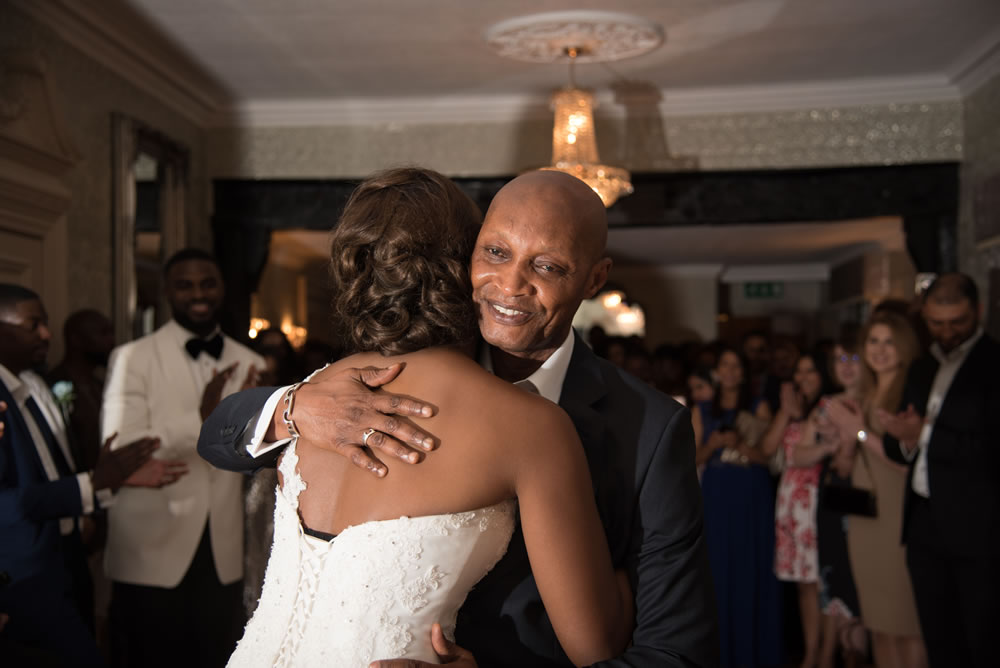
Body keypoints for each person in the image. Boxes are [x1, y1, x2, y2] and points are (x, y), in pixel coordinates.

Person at [199, 169, 718, 667]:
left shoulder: (650, 429)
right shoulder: (349, 389)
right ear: (463, 257)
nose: (511, 284)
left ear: (593, 279)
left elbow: (674, 654)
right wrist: (293, 407)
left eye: (548, 266)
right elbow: (218, 437)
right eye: (495, 252)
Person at [101, 249, 263, 668]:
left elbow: (255, 452)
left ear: (222, 289)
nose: (198, 294)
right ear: (167, 292)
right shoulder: (132, 357)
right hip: (150, 544)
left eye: (207, 283)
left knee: (216, 654)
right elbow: (124, 447)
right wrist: (208, 424)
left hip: (223, 546)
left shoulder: (249, 362)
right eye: (185, 285)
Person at [0, 284, 158, 666]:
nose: (45, 335)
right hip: (22, 575)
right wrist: (94, 482)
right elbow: (6, 503)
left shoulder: (29, 385)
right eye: (32, 324)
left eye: (46, 323)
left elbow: (49, 469)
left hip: (65, 560)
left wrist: (102, 488)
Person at [878, 273, 999, 668]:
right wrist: (904, 438)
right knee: (938, 638)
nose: (946, 332)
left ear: (977, 312)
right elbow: (902, 441)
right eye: (936, 323)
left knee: (981, 641)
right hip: (924, 524)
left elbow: (991, 448)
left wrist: (925, 431)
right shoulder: (921, 367)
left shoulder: (994, 364)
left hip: (979, 528)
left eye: (957, 323)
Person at [825, 311, 927, 668]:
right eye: (873, 341)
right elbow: (844, 467)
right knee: (878, 624)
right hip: (865, 520)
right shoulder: (864, 395)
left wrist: (860, 433)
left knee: (906, 624)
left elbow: (907, 463)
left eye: (888, 342)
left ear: (904, 346)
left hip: (900, 518)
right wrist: (842, 442)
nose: (880, 350)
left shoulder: (912, 391)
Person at [692, 346, 782, 667]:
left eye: (736, 366)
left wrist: (740, 445)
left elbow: (769, 458)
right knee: (718, 569)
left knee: (751, 565)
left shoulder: (760, 406)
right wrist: (714, 445)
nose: (730, 371)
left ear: (744, 373)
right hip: (717, 494)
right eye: (724, 365)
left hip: (751, 493)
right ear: (717, 371)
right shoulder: (701, 409)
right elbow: (691, 460)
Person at [798, 338, 866, 668]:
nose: (847, 365)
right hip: (835, 500)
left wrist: (853, 440)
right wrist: (830, 446)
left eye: (853, 357)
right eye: (839, 360)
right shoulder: (826, 405)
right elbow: (796, 454)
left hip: (870, 503)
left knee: (864, 586)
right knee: (836, 580)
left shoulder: (878, 399)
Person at [768, 351, 835, 668]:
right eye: (800, 371)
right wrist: (788, 411)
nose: (803, 377)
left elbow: (798, 456)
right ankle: (811, 652)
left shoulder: (827, 406)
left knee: (821, 584)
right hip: (792, 502)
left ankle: (822, 654)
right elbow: (771, 449)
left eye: (811, 370)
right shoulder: (801, 409)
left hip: (814, 500)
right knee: (803, 584)